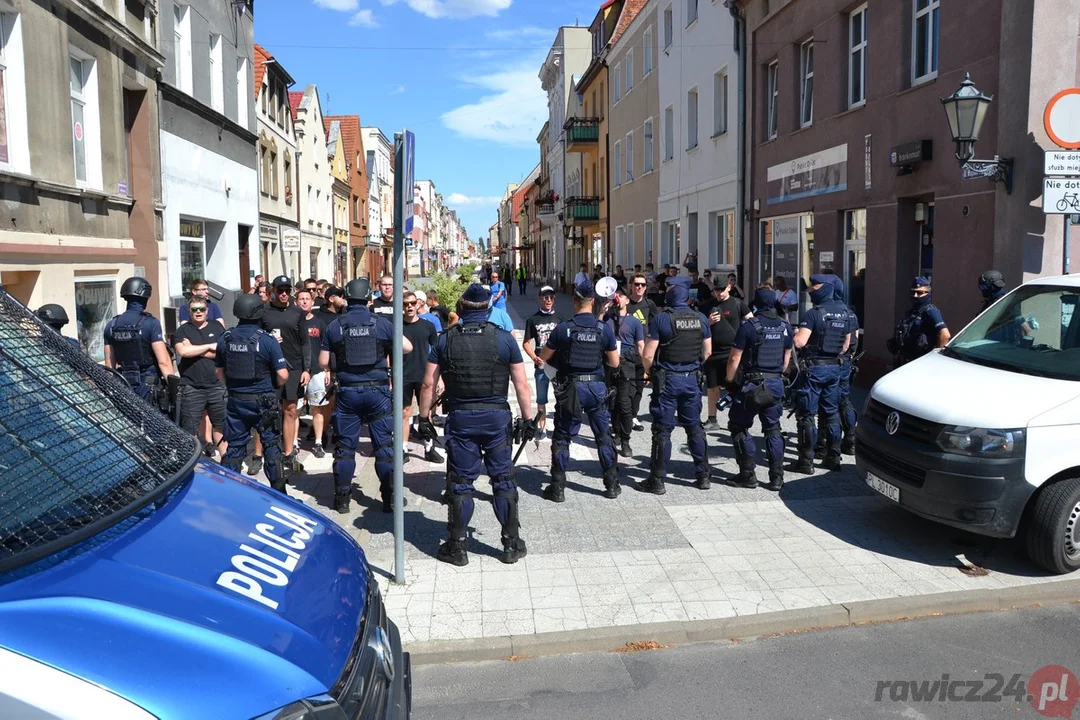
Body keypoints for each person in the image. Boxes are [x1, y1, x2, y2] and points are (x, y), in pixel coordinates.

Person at [417, 283, 534, 566]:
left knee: (461, 483)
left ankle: (457, 548)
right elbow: (521, 384)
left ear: (462, 309)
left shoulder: (445, 339)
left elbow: (428, 383)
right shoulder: (504, 339)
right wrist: (529, 419)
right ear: (487, 309)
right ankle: (510, 544)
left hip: (461, 416)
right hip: (496, 417)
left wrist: (423, 418)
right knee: (503, 479)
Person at [320, 278, 410, 513]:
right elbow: (407, 347)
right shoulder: (381, 323)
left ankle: (342, 499)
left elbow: (322, 361)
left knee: (345, 448)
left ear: (347, 298)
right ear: (368, 298)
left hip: (348, 392)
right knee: (384, 448)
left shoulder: (335, 325)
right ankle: (390, 498)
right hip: (377, 391)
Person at [539, 279, 621, 501]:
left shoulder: (563, 329)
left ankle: (557, 488)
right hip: (596, 387)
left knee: (563, 436)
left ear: (574, 301)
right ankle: (612, 484)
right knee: (603, 436)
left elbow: (544, 357)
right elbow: (614, 363)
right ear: (593, 301)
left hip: (571, 388)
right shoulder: (603, 330)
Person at [641, 276, 713, 493]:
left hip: (668, 380)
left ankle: (658, 480)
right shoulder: (701, 318)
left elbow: (648, 354)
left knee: (663, 431)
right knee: (694, 428)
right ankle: (703, 476)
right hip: (691, 379)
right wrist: (694, 366)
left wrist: (650, 372)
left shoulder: (662, 319)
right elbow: (708, 351)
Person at [216, 294, 289, 493]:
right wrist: (273, 385)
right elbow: (282, 375)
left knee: (235, 447)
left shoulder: (225, 338)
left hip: (236, 401)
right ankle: (279, 493)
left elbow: (219, 373)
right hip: (263, 401)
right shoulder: (267, 340)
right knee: (271, 446)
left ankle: (227, 493)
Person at [725, 288, 793, 491]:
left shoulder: (749, 326)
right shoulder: (785, 326)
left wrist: (729, 380)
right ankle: (777, 477)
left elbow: (734, 358)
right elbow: (786, 359)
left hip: (752, 386)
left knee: (739, 426)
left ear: (757, 303)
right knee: (773, 429)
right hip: (775, 385)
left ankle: (747, 475)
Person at [789, 274, 853, 474]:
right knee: (832, 413)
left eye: (813, 290)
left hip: (814, 369)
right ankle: (833, 457)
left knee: (807, 414)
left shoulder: (814, 314)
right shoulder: (845, 312)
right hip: (835, 368)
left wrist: (794, 334)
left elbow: (799, 342)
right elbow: (846, 345)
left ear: (823, 289)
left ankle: (806, 461)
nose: (811, 294)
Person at [261, 275, 311, 472]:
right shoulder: (264, 312)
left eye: (287, 290)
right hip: (270, 368)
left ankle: (289, 452)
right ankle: (263, 452)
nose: (283, 294)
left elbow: (305, 342)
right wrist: (268, 341)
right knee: (268, 411)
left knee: (290, 409)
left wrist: (307, 369)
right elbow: (258, 337)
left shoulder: (297, 312)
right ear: (273, 291)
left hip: (294, 367)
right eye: (280, 290)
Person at [103, 277, 174, 412]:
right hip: (148, 388)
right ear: (145, 297)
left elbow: (109, 365)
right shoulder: (151, 323)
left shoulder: (111, 325)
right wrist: (175, 389)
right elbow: (164, 362)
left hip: (123, 386)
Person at [173, 296, 227, 456]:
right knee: (190, 429)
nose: (198, 312)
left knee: (221, 426)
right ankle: (195, 464)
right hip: (191, 387)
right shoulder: (182, 331)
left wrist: (194, 349)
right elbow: (182, 352)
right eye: (194, 309)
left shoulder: (217, 328)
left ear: (207, 311)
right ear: (189, 312)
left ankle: (228, 462)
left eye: (201, 309)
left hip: (217, 385)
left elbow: (223, 353)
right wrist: (210, 346)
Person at [702, 277, 753, 430]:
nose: (718, 293)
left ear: (729, 287)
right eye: (716, 290)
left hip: (733, 352)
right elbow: (700, 325)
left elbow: (752, 323)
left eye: (721, 289)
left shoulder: (738, 303)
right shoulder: (709, 305)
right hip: (713, 352)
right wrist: (708, 322)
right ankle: (712, 419)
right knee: (712, 387)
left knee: (736, 386)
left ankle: (737, 419)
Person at [401, 290, 442, 463]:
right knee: (404, 412)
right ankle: (403, 449)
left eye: (412, 303)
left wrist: (439, 378)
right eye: (405, 304)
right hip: (402, 375)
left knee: (426, 414)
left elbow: (438, 352)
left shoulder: (428, 326)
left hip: (424, 376)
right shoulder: (397, 326)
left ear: (418, 304)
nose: (409, 307)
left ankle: (429, 447)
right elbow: (388, 353)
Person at [523, 285, 563, 439]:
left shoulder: (560, 318)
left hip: (557, 365)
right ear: (539, 298)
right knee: (541, 399)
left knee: (561, 397)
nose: (548, 300)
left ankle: (559, 427)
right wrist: (534, 357)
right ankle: (542, 428)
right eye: (545, 297)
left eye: (551, 297)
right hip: (541, 366)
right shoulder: (533, 320)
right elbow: (526, 343)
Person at [609, 288, 645, 457]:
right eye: (616, 296)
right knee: (612, 401)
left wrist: (646, 368)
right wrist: (602, 312)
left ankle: (625, 440)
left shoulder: (634, 322)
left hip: (627, 365)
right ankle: (615, 432)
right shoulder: (608, 318)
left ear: (627, 301)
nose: (618, 298)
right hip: (609, 364)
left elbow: (641, 346)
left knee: (624, 403)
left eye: (621, 296)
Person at [296, 288, 331, 459]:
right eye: (301, 299)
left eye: (307, 299)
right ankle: (294, 442)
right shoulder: (292, 322)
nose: (304, 301)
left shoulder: (319, 322)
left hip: (317, 371)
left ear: (312, 302)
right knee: (294, 409)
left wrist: (328, 369)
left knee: (318, 408)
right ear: (296, 302)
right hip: (297, 371)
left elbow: (327, 347)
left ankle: (318, 441)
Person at [887, 276, 951, 367]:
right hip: (907, 361)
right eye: (913, 292)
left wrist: (935, 358)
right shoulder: (912, 313)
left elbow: (945, 335)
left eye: (919, 292)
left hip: (921, 363)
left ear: (928, 293)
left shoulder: (930, 311)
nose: (915, 295)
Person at [625, 273, 656, 430]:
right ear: (631, 285)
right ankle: (622, 417)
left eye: (643, 285)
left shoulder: (649, 305)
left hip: (643, 352)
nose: (639, 287)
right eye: (637, 284)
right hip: (626, 352)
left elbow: (656, 327)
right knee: (625, 388)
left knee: (639, 388)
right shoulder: (625, 304)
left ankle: (633, 416)